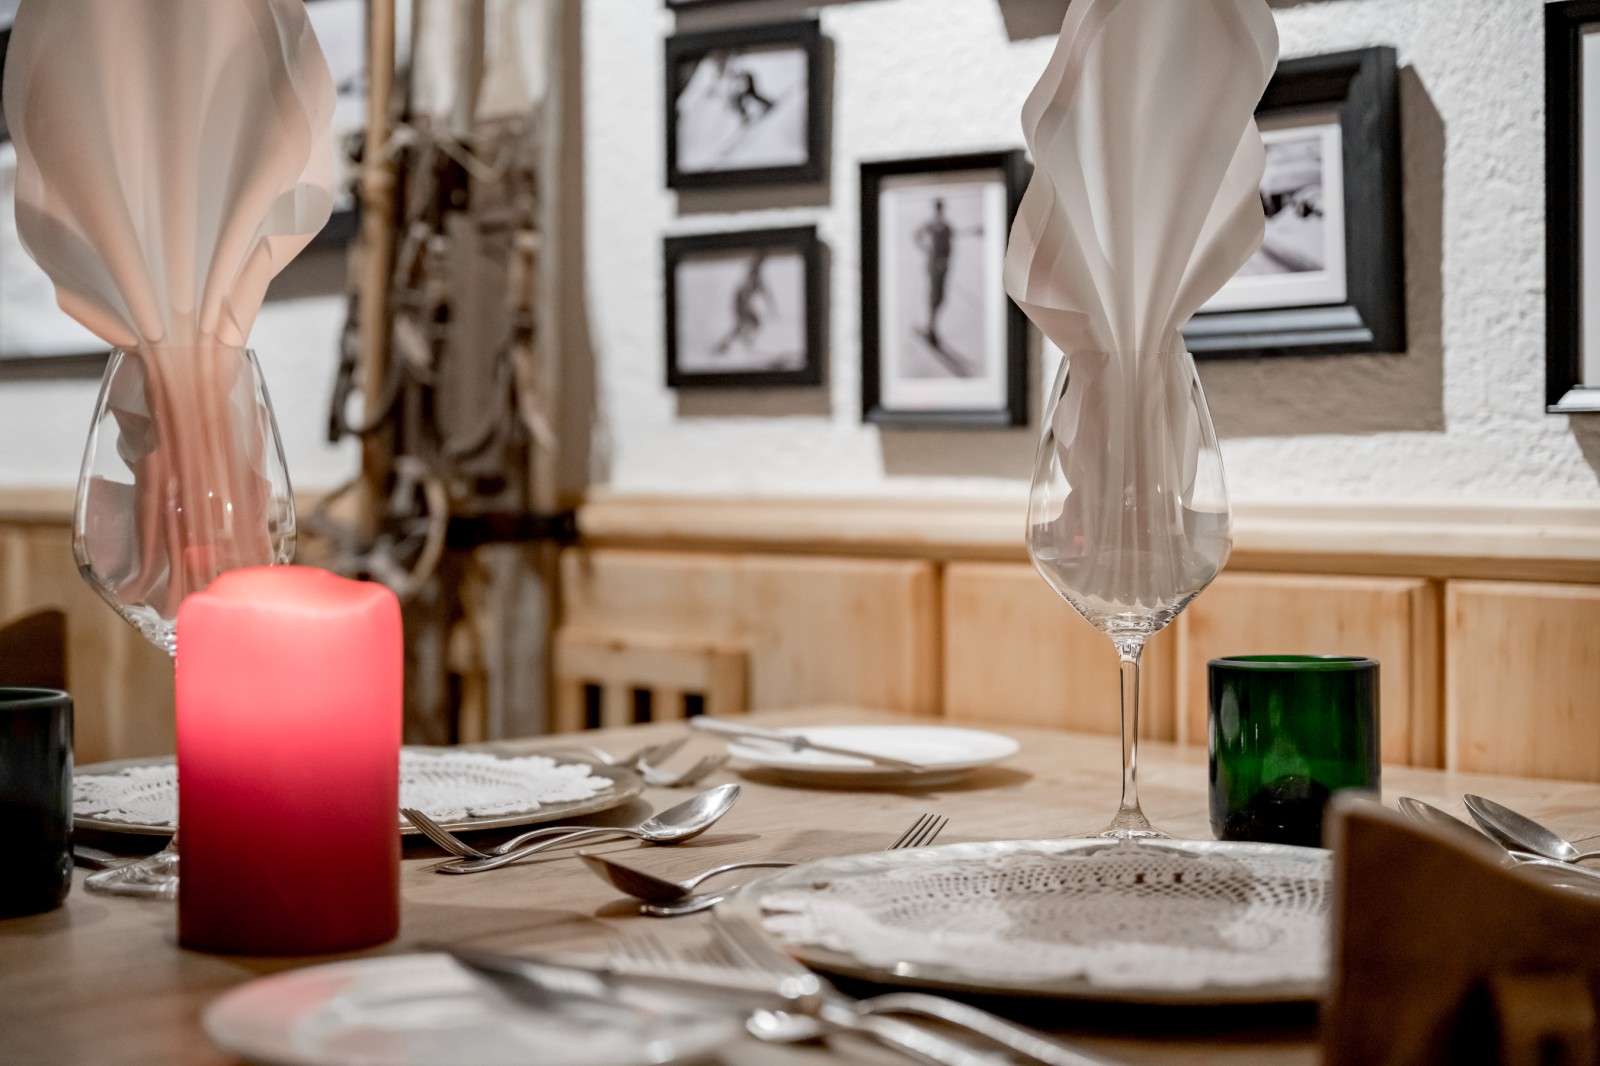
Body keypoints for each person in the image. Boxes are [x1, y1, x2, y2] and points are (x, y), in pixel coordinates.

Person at [913, 198, 955, 350]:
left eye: (941, 209)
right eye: (937, 209)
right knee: (934, 296)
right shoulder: (930, 226)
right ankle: (932, 328)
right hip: (933, 267)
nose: (939, 212)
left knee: (941, 298)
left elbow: (950, 248)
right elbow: (916, 236)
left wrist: (945, 262)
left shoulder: (947, 227)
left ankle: (932, 326)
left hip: (943, 268)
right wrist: (926, 248)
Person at [713, 253, 772, 357]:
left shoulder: (756, 277)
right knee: (745, 324)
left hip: (743, 301)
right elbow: (746, 292)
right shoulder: (752, 278)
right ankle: (725, 346)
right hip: (741, 301)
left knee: (751, 323)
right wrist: (746, 307)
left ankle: (739, 344)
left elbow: (764, 290)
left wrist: (770, 304)